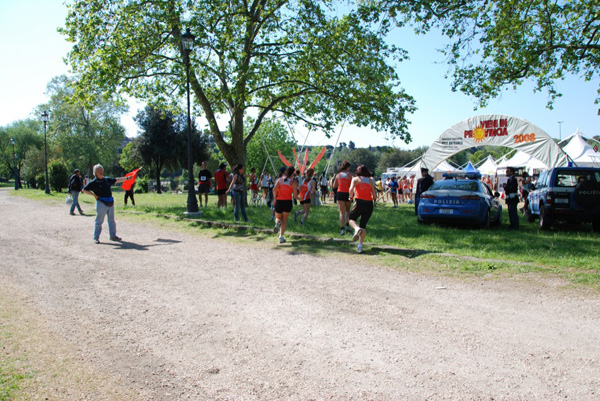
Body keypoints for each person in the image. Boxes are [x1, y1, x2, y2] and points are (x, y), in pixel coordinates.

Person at [82, 164, 133, 244]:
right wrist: (94, 195)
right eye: (99, 170)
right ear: (95, 172)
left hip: (110, 202)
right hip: (101, 203)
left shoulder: (107, 179)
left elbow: (116, 180)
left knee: (111, 221)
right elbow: (84, 190)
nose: (101, 171)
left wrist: (127, 178)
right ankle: (96, 238)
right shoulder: (93, 182)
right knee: (99, 221)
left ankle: (113, 236)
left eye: (101, 170)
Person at [348, 165, 376, 254]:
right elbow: (374, 194)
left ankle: (356, 229)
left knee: (351, 219)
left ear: (358, 171)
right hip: (369, 204)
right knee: (363, 224)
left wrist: (350, 197)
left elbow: (351, 189)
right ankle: (360, 245)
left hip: (359, 202)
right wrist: (374, 199)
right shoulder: (371, 180)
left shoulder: (356, 179)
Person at [273, 165, 300, 243]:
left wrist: (275, 198)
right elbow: (295, 196)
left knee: (278, 218)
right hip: (288, 202)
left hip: (279, 201)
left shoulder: (280, 179)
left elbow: (274, 189)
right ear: (293, 173)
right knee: (284, 219)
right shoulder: (293, 182)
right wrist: (299, 199)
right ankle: (281, 237)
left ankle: (277, 223)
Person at [333, 161, 353, 235]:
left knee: (341, 212)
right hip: (347, 193)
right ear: (347, 167)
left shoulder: (338, 175)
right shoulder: (350, 175)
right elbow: (352, 186)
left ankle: (342, 229)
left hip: (340, 193)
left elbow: (334, 186)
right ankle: (347, 225)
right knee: (347, 211)